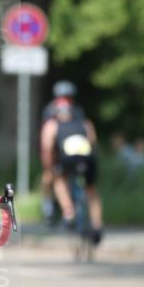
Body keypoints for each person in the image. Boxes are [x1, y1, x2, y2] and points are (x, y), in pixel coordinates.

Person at [40, 97, 103, 243]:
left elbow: (47, 148)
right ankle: (97, 225)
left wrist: (49, 167)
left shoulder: (52, 125)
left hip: (67, 159)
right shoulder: (85, 123)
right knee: (91, 190)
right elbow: (93, 142)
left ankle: (68, 212)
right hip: (87, 159)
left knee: (59, 179)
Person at [39, 80, 85, 224]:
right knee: (49, 178)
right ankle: (49, 207)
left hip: (68, 152)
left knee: (53, 177)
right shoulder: (52, 111)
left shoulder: (75, 111)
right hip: (58, 151)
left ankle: (65, 210)